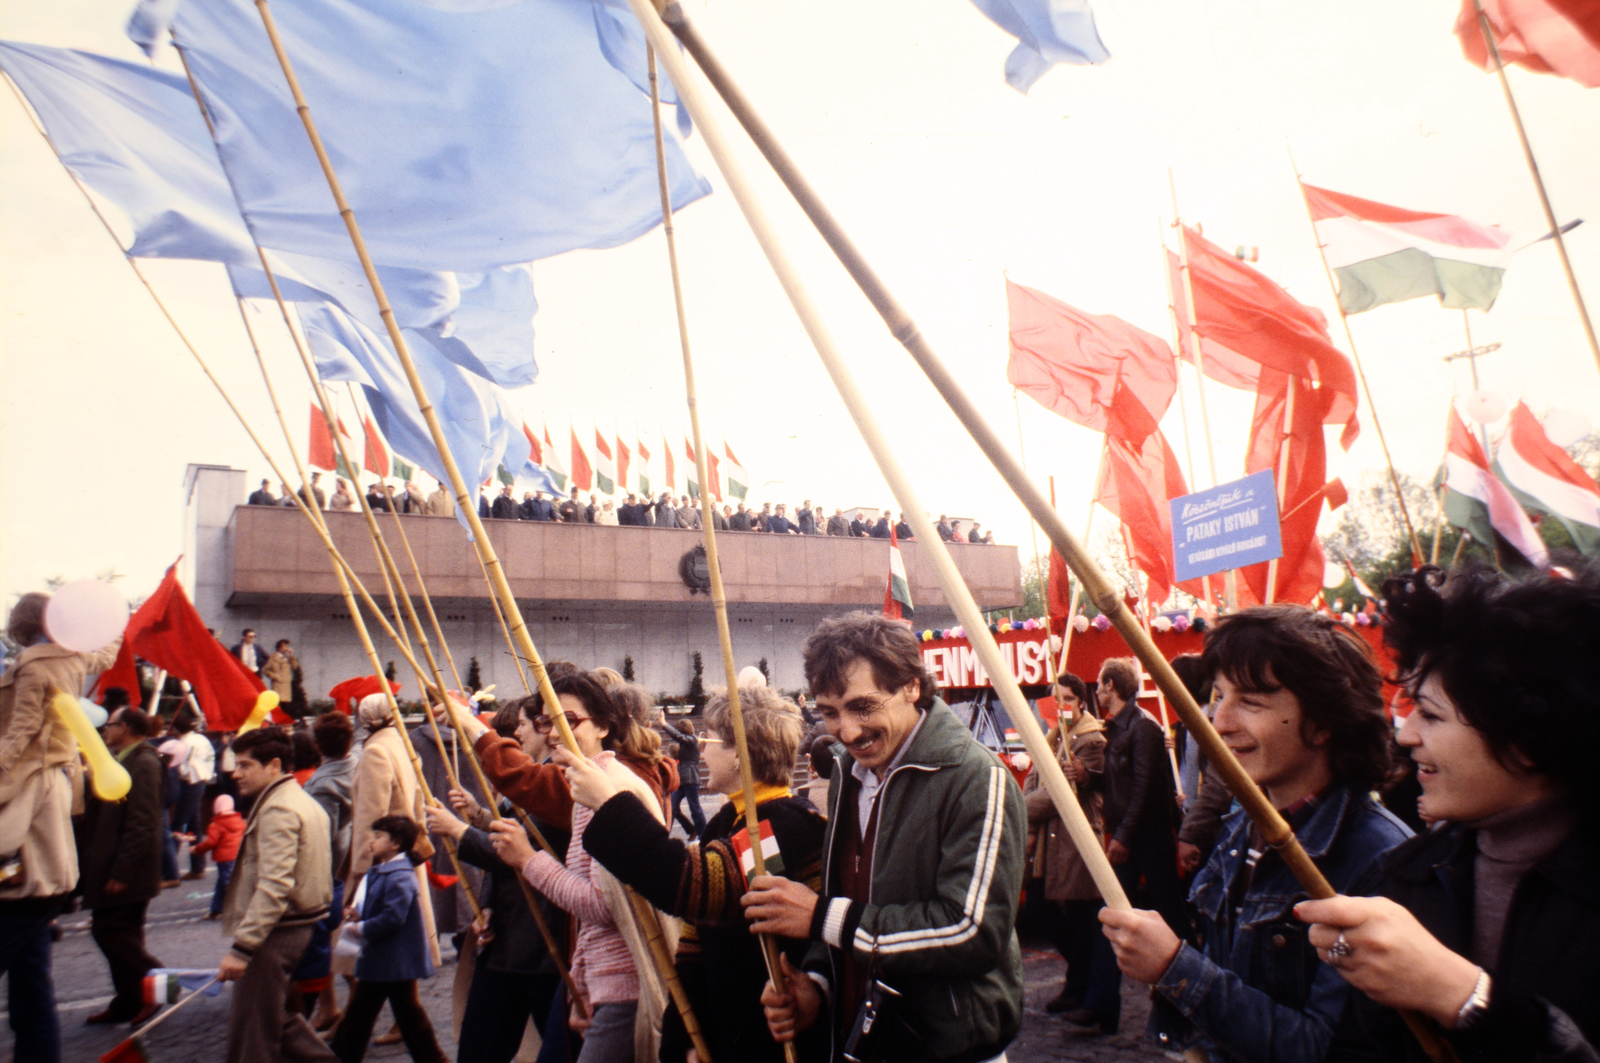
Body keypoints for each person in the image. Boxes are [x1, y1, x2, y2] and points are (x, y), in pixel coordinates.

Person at [1297, 565, 1600, 1061]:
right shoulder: (1404, 876)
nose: (1406, 734)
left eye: (1432, 715)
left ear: (1526, 735)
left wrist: (1467, 998)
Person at [1100, 606, 1410, 1062]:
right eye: (1219, 696)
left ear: (1323, 723)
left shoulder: (1378, 859)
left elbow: (1324, 1049)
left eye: (1251, 702)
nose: (1219, 722)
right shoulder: (1239, 830)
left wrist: (1175, 967)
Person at [745, 611, 1026, 1063]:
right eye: (829, 712)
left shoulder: (977, 778)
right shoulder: (845, 772)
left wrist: (822, 918)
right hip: (863, 1041)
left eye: (863, 706)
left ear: (912, 686)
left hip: (950, 1049)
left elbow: (972, 931)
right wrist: (816, 985)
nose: (847, 732)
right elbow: (849, 898)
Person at [572, 682, 829, 1063]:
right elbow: (694, 944)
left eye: (712, 738)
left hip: (768, 1043)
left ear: (740, 754)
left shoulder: (781, 826)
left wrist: (609, 805)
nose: (703, 749)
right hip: (727, 1037)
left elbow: (696, 887)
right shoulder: (728, 821)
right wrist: (688, 1040)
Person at [484, 670, 674, 1063]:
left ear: (603, 726)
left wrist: (528, 860)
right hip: (610, 985)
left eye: (568, 720)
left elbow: (604, 906)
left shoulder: (603, 787)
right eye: (547, 721)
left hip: (626, 986)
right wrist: (583, 986)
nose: (554, 732)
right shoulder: (587, 782)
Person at [0, 593, 121, 1063]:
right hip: (53, 793)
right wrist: (104, 618)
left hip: (26, 794)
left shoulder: (33, 664)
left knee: (28, 962)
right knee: (32, 984)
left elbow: (22, 730)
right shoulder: (72, 656)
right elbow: (108, 650)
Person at [424, 698, 572, 1063]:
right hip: (509, 936)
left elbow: (519, 851)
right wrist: (477, 815)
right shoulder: (538, 777)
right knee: (481, 1047)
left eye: (522, 725)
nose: (517, 733)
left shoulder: (558, 782)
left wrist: (459, 830)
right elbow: (511, 838)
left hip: (538, 943)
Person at [217, 727, 339, 1063]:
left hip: (276, 931)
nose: (235, 773)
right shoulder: (297, 798)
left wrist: (243, 948)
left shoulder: (278, 808)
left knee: (253, 1030)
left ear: (273, 765)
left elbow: (274, 886)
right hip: (294, 924)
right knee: (274, 1019)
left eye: (244, 765)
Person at [1023, 674, 1122, 1028]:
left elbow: (1058, 793)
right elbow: (1035, 778)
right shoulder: (1053, 734)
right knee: (1040, 907)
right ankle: (1079, 982)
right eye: (1056, 698)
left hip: (1075, 837)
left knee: (1081, 917)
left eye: (1067, 699)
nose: (1061, 705)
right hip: (1052, 838)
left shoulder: (1089, 738)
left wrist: (1017, 810)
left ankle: (1081, 987)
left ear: (1081, 701)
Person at [1088, 658, 1188, 957]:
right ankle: (1100, 999)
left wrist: (1123, 837)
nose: (1096, 691)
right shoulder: (1116, 727)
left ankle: (1191, 980)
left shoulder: (1143, 726)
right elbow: (1116, 781)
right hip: (1130, 835)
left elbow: (1145, 789)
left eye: (1099, 685)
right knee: (1114, 912)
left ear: (1112, 686)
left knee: (1169, 913)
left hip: (1149, 838)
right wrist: (1086, 777)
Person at [330, 815, 448, 1063]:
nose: (372, 841)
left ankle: (342, 1056)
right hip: (391, 961)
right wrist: (358, 914)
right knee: (402, 1015)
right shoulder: (388, 872)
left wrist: (360, 928)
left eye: (378, 836)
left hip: (391, 960)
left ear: (395, 843)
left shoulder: (399, 876)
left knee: (364, 1014)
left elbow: (393, 918)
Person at [82, 705, 166, 1026]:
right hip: (112, 865)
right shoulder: (122, 758)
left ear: (127, 728)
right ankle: (128, 1001)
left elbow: (143, 821)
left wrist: (122, 870)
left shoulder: (144, 761)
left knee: (112, 933)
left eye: (111, 724)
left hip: (128, 870)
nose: (106, 730)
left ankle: (158, 987)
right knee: (121, 934)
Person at [348, 696, 439, 968]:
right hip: (405, 848)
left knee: (359, 943)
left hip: (384, 854)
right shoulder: (402, 744)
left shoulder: (375, 752)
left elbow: (370, 815)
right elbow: (419, 797)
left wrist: (360, 867)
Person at [303, 710, 357, 1031]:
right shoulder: (353, 764)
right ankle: (332, 1007)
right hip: (347, 860)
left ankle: (335, 1007)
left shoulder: (323, 783)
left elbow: (320, 837)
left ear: (317, 744)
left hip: (329, 871)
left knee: (326, 942)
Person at [172, 710, 216, 879]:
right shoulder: (202, 739)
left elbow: (182, 767)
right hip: (202, 780)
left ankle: (168, 869)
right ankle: (198, 867)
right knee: (193, 825)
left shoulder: (183, 743)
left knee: (179, 824)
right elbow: (210, 758)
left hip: (188, 782)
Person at [194, 793, 245, 919]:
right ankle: (216, 909)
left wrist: (197, 849)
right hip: (237, 856)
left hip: (224, 858)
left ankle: (235, 909)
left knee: (226, 884)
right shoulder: (239, 822)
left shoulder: (216, 826)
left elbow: (210, 842)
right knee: (223, 883)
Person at [664, 720, 706, 837]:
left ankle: (703, 835)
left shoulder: (691, 740)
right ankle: (666, 835)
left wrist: (664, 724)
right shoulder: (689, 741)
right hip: (684, 778)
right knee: (672, 806)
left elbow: (678, 737)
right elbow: (679, 738)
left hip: (690, 778)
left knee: (694, 807)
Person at [263, 640, 298, 704]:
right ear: (279, 647)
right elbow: (265, 670)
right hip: (277, 684)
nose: (287, 648)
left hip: (286, 685)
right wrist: (274, 676)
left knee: (286, 705)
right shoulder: (272, 657)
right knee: (277, 703)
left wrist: (292, 656)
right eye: (285, 646)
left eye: (287, 646)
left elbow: (294, 667)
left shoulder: (289, 658)